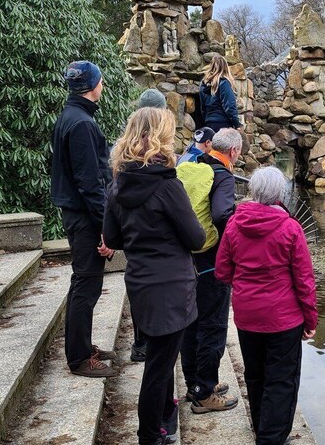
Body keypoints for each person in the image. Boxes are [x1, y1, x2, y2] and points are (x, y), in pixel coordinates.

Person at [103, 107, 206, 445]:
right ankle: (150, 435)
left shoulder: (118, 185)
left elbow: (114, 239)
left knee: (160, 358)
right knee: (159, 367)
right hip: (173, 286)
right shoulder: (168, 186)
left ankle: (166, 417)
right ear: (159, 138)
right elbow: (196, 238)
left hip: (141, 282)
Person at [215, 167, 318, 445]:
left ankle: (261, 428)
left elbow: (222, 272)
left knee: (255, 374)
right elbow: (304, 279)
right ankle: (271, 438)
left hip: (248, 316)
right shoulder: (290, 228)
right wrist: (310, 320)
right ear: (280, 194)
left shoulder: (234, 225)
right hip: (284, 319)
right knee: (282, 380)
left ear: (253, 192)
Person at [51, 60, 118, 378]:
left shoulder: (72, 117)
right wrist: (105, 229)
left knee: (85, 283)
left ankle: (84, 345)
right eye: (101, 81)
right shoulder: (82, 124)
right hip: (83, 216)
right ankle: (78, 357)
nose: (102, 86)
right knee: (86, 285)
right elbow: (90, 183)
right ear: (93, 86)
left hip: (77, 213)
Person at [178, 128, 243, 414]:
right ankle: (205, 393)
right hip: (212, 262)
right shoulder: (224, 175)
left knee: (191, 322)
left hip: (187, 257)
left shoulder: (193, 166)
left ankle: (196, 382)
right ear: (233, 152)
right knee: (214, 326)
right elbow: (221, 214)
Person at [128, 87, 167, 363]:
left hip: (134, 236)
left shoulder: (126, 147)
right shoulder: (158, 148)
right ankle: (149, 341)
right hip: (153, 232)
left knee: (140, 287)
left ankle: (141, 341)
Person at [199, 54, 242, 132]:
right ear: (225, 67)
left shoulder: (203, 84)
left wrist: (206, 120)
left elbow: (203, 108)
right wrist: (237, 124)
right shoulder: (224, 83)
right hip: (223, 124)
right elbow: (229, 106)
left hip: (209, 124)